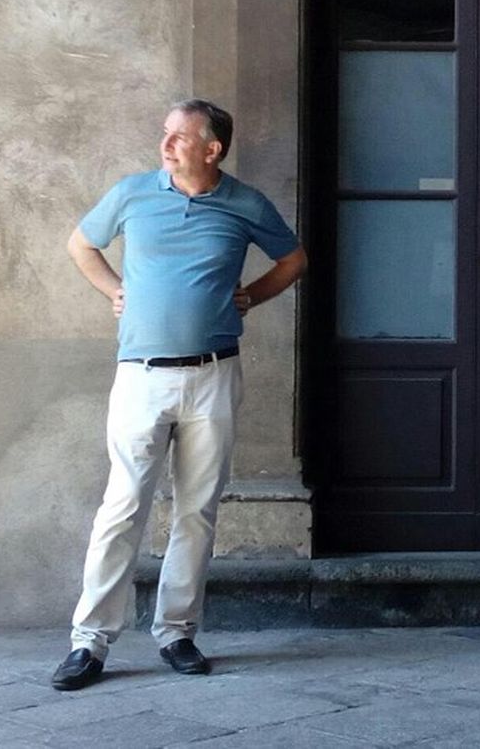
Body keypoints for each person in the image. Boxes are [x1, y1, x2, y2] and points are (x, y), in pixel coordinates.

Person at [50, 99, 307, 691]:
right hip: (141, 375)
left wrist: (253, 296)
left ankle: (177, 632)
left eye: (178, 137)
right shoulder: (134, 193)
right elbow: (80, 246)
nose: (165, 144)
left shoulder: (245, 203)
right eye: (165, 134)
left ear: (212, 149)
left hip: (213, 374)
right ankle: (89, 642)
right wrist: (114, 290)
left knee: (197, 509)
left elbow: (293, 259)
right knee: (124, 506)